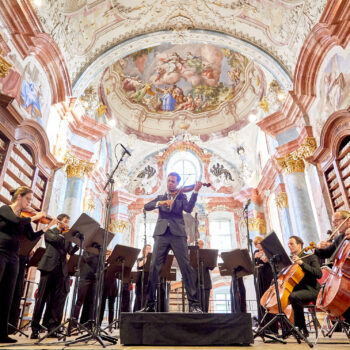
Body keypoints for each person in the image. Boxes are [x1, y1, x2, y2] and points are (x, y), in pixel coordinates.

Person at [141, 172, 203, 312]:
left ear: (177, 184)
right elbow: (147, 206)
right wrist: (160, 203)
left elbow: (188, 209)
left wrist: (195, 192)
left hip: (178, 234)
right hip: (161, 234)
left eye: (173, 181)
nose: (170, 183)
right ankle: (149, 305)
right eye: (168, 180)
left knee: (186, 267)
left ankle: (194, 305)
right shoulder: (161, 197)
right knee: (154, 268)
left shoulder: (182, 196)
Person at [0, 186, 55, 343]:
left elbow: (31, 236)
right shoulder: (6, 209)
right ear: (19, 197)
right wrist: (35, 217)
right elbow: (15, 221)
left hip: (14, 257)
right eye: (28, 199)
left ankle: (2, 334)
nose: (30, 202)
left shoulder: (23, 216)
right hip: (1, 252)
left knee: (7, 295)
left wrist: (46, 228)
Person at [31, 213, 78, 339]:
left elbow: (70, 251)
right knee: (41, 299)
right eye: (65, 221)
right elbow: (57, 240)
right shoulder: (50, 232)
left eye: (68, 221)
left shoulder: (66, 236)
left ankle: (52, 328)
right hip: (48, 268)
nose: (67, 224)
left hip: (61, 270)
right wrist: (69, 235)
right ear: (59, 222)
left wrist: (78, 243)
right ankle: (35, 328)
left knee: (56, 301)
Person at [314, 210, 350, 324]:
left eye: (337, 221)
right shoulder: (340, 238)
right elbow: (325, 253)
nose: (334, 224)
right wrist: (318, 248)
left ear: (348, 221)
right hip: (344, 276)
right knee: (341, 305)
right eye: (333, 221)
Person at [288, 235, 322, 338]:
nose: (289, 246)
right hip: (297, 290)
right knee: (284, 297)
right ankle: (287, 327)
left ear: (299, 245)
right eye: (288, 244)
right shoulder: (290, 260)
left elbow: (318, 273)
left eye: (292, 244)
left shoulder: (310, 257)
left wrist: (302, 263)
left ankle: (302, 329)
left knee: (294, 296)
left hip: (311, 290)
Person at [253, 236, 278, 333]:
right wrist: (255, 258)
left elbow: (272, 262)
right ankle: (262, 325)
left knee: (269, 299)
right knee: (261, 299)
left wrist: (265, 258)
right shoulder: (255, 252)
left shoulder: (268, 250)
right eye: (256, 244)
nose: (258, 245)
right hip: (260, 276)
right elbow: (253, 265)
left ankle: (272, 327)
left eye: (259, 243)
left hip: (269, 276)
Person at [193, 239, 212, 312]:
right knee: (197, 306)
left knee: (205, 305)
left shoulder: (206, 255)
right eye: (198, 244)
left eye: (201, 244)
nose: (199, 246)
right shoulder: (193, 255)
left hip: (206, 283)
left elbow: (211, 267)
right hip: (196, 283)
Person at [133, 244, 152, 311]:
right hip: (140, 280)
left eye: (150, 249)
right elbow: (139, 264)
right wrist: (147, 257)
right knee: (138, 297)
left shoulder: (151, 260)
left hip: (147, 280)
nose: (149, 250)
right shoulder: (140, 259)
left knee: (146, 298)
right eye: (147, 249)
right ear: (143, 250)